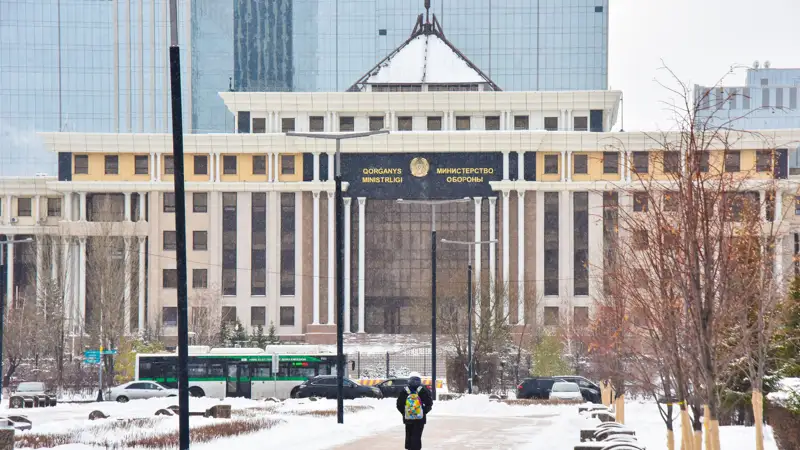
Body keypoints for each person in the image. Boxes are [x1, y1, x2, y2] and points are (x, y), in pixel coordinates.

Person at [396, 372, 433, 450]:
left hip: (408, 418)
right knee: (417, 436)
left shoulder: (405, 390)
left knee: (409, 435)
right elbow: (429, 404)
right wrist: (422, 412)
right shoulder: (423, 390)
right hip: (420, 419)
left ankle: (409, 448)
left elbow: (399, 404)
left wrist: (405, 413)